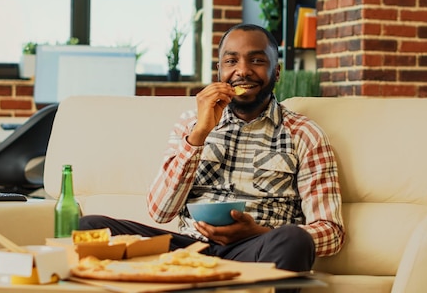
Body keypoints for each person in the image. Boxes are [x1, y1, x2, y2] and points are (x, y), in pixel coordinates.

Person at [80, 23, 345, 286]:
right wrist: (199, 133)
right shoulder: (190, 124)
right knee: (91, 229)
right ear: (220, 71)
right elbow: (160, 212)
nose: (242, 70)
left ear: (276, 72)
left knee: (293, 239)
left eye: (256, 60)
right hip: (189, 249)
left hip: (258, 251)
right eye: (231, 61)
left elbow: (331, 232)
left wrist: (261, 232)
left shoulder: (304, 134)